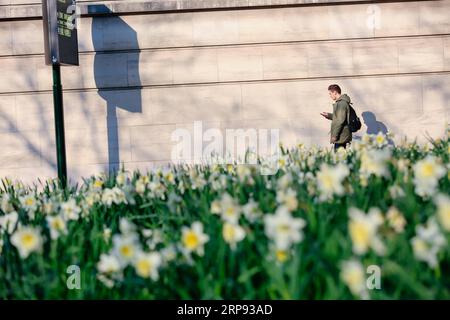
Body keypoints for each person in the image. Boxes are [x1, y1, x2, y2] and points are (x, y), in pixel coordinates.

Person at [320, 84, 352, 151]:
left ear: (335, 92)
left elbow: (340, 121)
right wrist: (328, 115)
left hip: (341, 136)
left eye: (330, 93)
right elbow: (339, 117)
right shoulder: (341, 103)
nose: (330, 96)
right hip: (342, 135)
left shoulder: (341, 104)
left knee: (338, 158)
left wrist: (335, 136)